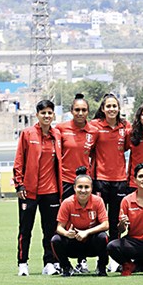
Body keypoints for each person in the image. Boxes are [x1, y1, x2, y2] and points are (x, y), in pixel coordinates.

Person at [13, 99, 62, 277]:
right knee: (25, 229)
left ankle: (49, 262)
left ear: (53, 115)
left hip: (51, 191)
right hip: (29, 191)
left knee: (50, 230)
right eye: (43, 113)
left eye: (50, 113)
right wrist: (19, 184)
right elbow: (19, 160)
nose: (47, 116)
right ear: (37, 115)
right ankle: (22, 263)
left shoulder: (57, 135)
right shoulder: (27, 134)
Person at [58, 93, 96, 273]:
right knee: (67, 223)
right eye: (77, 110)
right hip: (66, 181)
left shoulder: (93, 131)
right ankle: (60, 261)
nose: (80, 113)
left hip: (84, 183)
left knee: (85, 222)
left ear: (88, 112)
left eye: (84, 110)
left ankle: (83, 261)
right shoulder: (61, 129)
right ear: (71, 111)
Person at [50, 166, 109, 277]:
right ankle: (66, 267)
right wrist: (67, 233)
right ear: (74, 188)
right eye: (80, 187)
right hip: (73, 243)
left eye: (86, 187)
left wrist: (86, 232)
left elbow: (105, 224)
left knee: (103, 237)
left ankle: (101, 267)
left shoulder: (98, 201)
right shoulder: (67, 203)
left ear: (91, 188)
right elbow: (59, 227)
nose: (83, 190)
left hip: (91, 243)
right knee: (55, 240)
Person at [91, 93, 131, 244]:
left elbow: (127, 146)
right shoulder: (95, 125)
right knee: (98, 220)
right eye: (108, 106)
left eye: (114, 106)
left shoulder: (125, 126)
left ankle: (115, 255)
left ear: (119, 108)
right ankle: (99, 256)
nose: (111, 109)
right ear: (103, 108)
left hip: (120, 180)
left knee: (115, 220)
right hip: (100, 180)